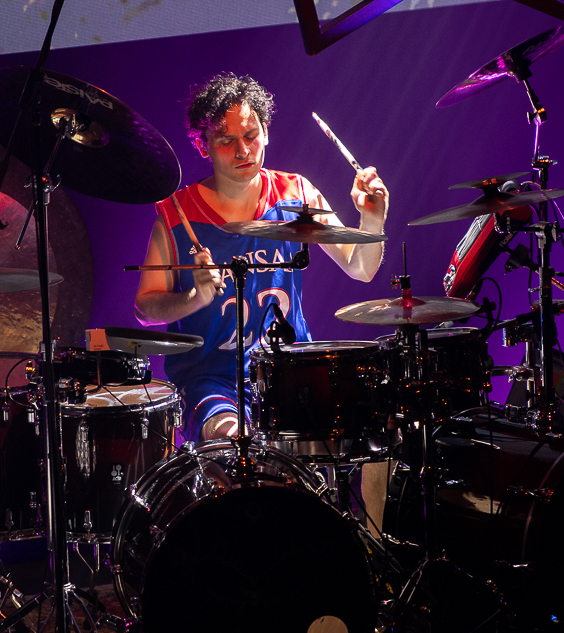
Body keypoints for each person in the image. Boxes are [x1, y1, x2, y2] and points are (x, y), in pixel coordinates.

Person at [134, 72, 389, 442]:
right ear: (203, 146)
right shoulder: (177, 214)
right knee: (233, 439)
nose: (243, 150)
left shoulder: (296, 194)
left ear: (266, 132)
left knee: (374, 427)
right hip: (211, 380)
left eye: (251, 135)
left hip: (292, 371)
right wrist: (194, 298)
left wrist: (372, 219)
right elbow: (144, 308)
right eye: (226, 140)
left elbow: (361, 268)